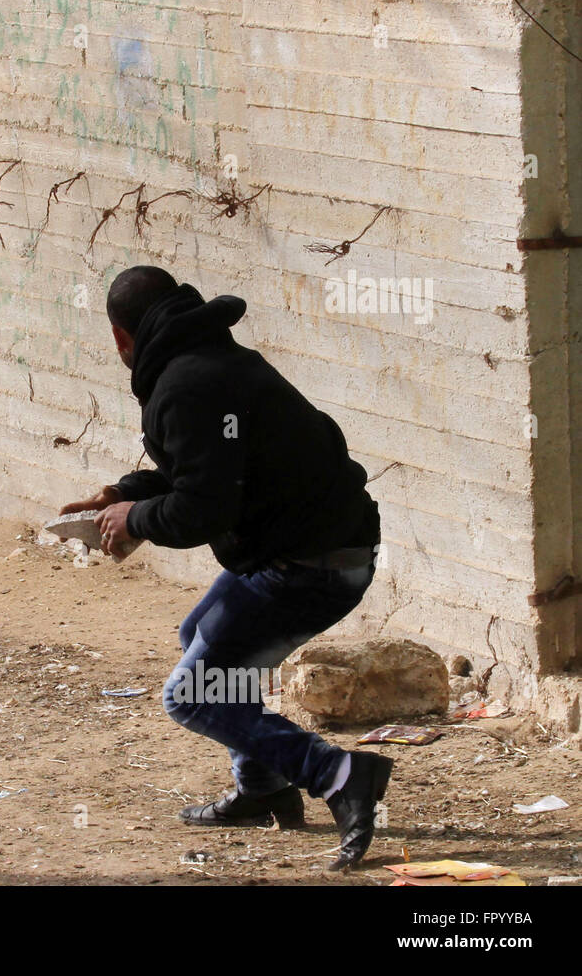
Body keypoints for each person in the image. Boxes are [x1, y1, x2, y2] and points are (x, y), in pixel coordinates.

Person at [61, 265, 389, 871]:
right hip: (317, 545)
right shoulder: (215, 361)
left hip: (312, 564)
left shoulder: (186, 385)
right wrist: (123, 494)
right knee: (203, 642)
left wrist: (137, 521)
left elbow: (203, 511)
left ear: (120, 339)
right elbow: (212, 468)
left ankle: (340, 773)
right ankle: (263, 785)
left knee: (192, 694)